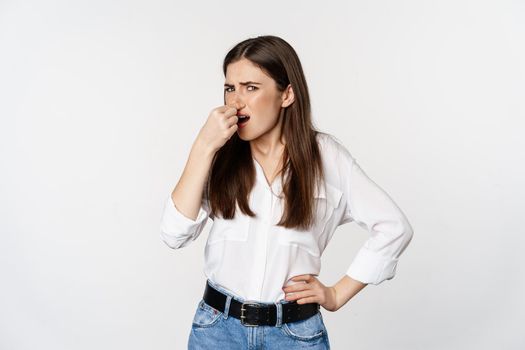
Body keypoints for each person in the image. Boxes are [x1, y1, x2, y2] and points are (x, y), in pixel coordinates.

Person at [160, 35, 414, 349]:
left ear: (287, 95)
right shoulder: (218, 152)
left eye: (251, 87)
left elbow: (393, 227)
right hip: (217, 331)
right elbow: (174, 234)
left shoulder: (326, 157)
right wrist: (203, 146)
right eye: (230, 88)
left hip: (294, 336)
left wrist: (336, 294)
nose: (236, 101)